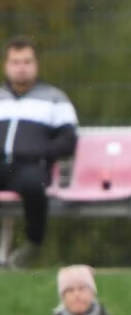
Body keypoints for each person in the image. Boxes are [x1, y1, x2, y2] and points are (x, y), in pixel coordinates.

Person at [0, 36, 77, 268]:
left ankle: (32, 245)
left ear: (36, 65)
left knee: (34, 186)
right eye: (15, 62)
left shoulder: (55, 99)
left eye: (26, 62)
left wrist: (41, 153)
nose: (21, 68)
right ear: (6, 65)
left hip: (31, 167)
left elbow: (68, 140)